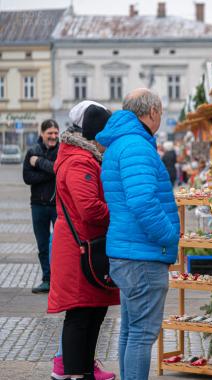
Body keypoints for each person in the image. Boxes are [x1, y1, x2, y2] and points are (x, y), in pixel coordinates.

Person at [96, 88, 180, 380]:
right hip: (142, 253)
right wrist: (169, 235)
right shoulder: (137, 146)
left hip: (127, 250)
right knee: (142, 334)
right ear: (152, 113)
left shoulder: (120, 143)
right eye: (161, 113)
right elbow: (142, 201)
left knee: (132, 331)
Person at [48, 101, 119, 380]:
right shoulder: (79, 161)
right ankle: (77, 373)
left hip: (86, 247)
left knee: (93, 312)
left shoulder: (85, 158)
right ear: (94, 133)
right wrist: (119, 212)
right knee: (80, 315)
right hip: (80, 248)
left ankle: (85, 369)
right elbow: (89, 209)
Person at [23, 119, 59, 294]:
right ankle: (47, 279)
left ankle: (59, 280)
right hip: (38, 205)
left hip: (57, 205)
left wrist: (38, 164)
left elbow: (58, 169)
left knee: (60, 245)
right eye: (49, 133)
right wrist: (50, 172)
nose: (53, 136)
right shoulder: (32, 151)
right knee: (43, 245)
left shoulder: (62, 150)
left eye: (55, 133)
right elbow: (27, 178)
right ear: (42, 134)